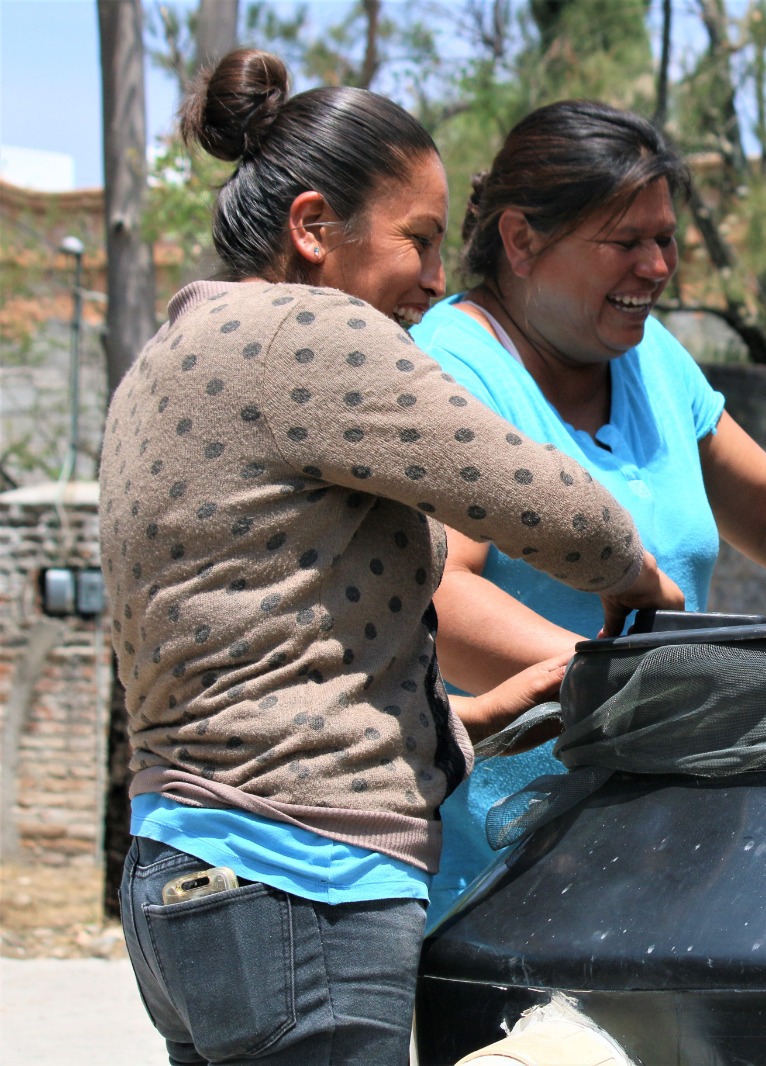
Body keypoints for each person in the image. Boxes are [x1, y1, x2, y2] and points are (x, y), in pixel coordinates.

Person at [101, 51, 681, 1065]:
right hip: (304, 885)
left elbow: (265, 660)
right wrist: (635, 578)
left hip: (184, 879)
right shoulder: (311, 331)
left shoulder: (170, 351)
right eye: (416, 240)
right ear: (313, 228)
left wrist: (480, 717)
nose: (435, 277)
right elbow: (539, 501)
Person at [409, 99, 766, 922]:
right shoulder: (448, 371)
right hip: (506, 868)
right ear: (521, 241)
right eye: (626, 242)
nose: (658, 267)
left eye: (665, 239)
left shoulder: (649, 355)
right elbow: (442, 600)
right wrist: (639, 688)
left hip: (667, 831)